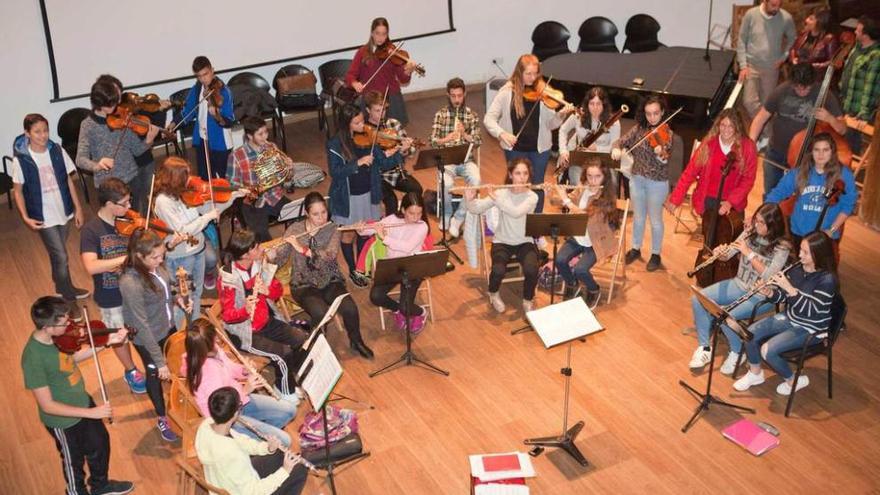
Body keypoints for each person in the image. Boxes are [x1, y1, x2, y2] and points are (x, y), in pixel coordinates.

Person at [21, 296, 134, 495]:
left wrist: (106, 342)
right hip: (63, 420)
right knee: (74, 461)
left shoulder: (58, 340)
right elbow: (47, 405)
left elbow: (71, 359)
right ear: (48, 326)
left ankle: (100, 486)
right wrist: (91, 413)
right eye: (64, 322)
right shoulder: (33, 358)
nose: (71, 325)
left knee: (100, 444)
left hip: (83, 402)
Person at [686, 203, 791, 373]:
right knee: (698, 298)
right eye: (756, 220)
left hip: (762, 295)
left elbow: (769, 276)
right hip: (739, 284)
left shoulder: (782, 247)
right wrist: (720, 252)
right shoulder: (750, 232)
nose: (756, 225)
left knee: (727, 316)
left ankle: (737, 351)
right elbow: (728, 254)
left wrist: (749, 253)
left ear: (773, 225)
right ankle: (704, 348)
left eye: (762, 223)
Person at [733, 231, 838, 396]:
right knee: (749, 333)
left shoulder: (827, 280)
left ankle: (793, 379)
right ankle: (755, 373)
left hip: (811, 328)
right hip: (791, 317)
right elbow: (784, 297)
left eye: (805, 252)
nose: (800, 255)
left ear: (818, 254)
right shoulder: (797, 269)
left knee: (767, 350)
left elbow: (812, 311)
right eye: (800, 250)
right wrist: (770, 293)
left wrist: (790, 289)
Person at [277, 192, 374, 359]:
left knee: (350, 308)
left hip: (329, 279)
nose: (321, 218)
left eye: (324, 212)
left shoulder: (333, 228)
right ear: (306, 213)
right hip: (303, 284)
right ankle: (316, 350)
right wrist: (274, 252)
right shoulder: (295, 229)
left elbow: (329, 255)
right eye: (316, 214)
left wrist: (303, 249)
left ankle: (356, 341)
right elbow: (280, 258)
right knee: (320, 313)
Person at [218, 229, 308, 402]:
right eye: (257, 248)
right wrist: (245, 309)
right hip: (245, 332)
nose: (262, 250)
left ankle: (288, 382)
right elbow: (228, 316)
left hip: (266, 321)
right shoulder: (228, 278)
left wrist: (267, 290)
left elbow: (278, 290)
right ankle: (284, 390)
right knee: (282, 353)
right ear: (246, 254)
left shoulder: (258, 264)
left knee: (299, 338)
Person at [12, 113, 88, 314]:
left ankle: (63, 286)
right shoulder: (21, 160)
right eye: (37, 132)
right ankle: (69, 299)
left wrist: (78, 208)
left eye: (45, 130)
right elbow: (18, 192)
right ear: (27, 133)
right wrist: (25, 217)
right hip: (42, 217)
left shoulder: (57, 151)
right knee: (61, 256)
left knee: (58, 255)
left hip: (63, 211)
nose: (43, 135)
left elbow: (69, 180)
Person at [120, 229, 190, 442]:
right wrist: (159, 362)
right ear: (139, 256)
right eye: (155, 257)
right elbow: (141, 325)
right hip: (147, 336)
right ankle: (162, 417)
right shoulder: (130, 283)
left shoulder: (155, 265)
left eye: (162, 256)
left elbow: (167, 286)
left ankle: (183, 402)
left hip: (166, 327)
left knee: (179, 364)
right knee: (155, 375)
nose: (161, 260)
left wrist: (178, 298)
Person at [80, 178, 149, 395]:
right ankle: (131, 371)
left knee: (143, 329)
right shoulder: (91, 231)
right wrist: (126, 258)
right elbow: (91, 266)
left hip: (135, 289)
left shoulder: (129, 223)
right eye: (125, 203)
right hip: (110, 295)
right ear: (110, 204)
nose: (130, 207)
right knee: (119, 337)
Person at [153, 156, 245, 319]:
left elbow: (211, 207)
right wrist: (207, 217)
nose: (189, 179)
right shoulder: (163, 202)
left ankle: (194, 324)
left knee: (197, 293)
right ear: (174, 179)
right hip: (180, 256)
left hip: (198, 249)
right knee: (183, 297)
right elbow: (181, 230)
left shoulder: (186, 192)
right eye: (185, 176)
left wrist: (232, 196)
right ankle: (182, 333)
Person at [183, 318, 297, 447]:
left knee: (289, 410)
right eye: (215, 337)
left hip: (240, 401)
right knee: (285, 441)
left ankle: (259, 440)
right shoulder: (207, 375)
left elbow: (230, 368)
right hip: (228, 418)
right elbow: (222, 410)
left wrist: (244, 370)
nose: (218, 339)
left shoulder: (211, 351)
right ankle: (253, 445)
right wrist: (245, 390)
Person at [484, 53, 576, 213]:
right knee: (516, 186)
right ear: (520, 73)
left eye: (535, 74)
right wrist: (502, 134)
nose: (532, 78)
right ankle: (516, 221)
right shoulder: (506, 92)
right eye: (528, 74)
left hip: (540, 149)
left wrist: (560, 115)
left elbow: (550, 125)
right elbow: (489, 119)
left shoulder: (543, 92)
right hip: (514, 149)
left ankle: (536, 228)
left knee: (538, 187)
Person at [327, 104, 403, 288]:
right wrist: (357, 163)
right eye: (357, 122)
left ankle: (361, 267)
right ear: (346, 124)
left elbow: (383, 163)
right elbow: (336, 172)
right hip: (349, 197)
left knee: (365, 233)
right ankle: (352, 269)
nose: (363, 125)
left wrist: (400, 151)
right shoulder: (335, 144)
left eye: (362, 120)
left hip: (369, 193)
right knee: (349, 235)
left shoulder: (369, 138)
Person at [748, 62, 846, 195]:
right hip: (775, 152)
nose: (801, 91)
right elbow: (761, 118)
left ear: (813, 83)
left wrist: (830, 118)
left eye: (806, 88)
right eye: (797, 87)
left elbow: (842, 129)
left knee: (798, 197)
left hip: (804, 158)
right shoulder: (782, 90)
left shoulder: (824, 95)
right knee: (771, 193)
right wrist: (751, 142)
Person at [195, 387, 307, 495]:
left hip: (231, 479)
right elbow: (255, 492)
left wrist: (267, 448)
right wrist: (285, 471)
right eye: (240, 405)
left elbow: (243, 442)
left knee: (279, 453)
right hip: (244, 490)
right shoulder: (232, 455)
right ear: (234, 414)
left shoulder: (207, 424)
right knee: (300, 471)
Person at [465, 158, 539, 314]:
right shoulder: (501, 193)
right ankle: (493, 293)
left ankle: (527, 299)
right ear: (510, 175)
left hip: (524, 241)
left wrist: (496, 198)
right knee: (498, 271)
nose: (522, 177)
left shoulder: (532, 197)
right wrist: (469, 199)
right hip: (502, 241)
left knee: (532, 270)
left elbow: (516, 212)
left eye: (525, 173)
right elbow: (476, 209)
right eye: (518, 173)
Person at [612, 96, 674, 272]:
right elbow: (620, 141)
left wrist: (659, 152)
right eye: (648, 114)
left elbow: (665, 158)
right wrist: (617, 148)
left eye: (655, 113)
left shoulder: (667, 133)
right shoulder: (639, 129)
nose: (652, 118)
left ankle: (655, 254)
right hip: (637, 179)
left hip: (657, 182)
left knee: (655, 220)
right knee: (638, 217)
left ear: (662, 112)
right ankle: (636, 249)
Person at [76, 78, 160, 208]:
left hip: (131, 178)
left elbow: (137, 149)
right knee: (114, 223)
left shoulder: (124, 117)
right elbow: (80, 159)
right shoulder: (88, 125)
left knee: (135, 216)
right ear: (100, 104)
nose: (118, 105)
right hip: (108, 185)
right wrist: (97, 165)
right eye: (113, 103)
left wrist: (149, 140)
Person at [765, 133, 857, 250]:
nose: (821, 154)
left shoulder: (844, 175)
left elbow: (848, 206)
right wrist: (761, 214)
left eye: (825, 150)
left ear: (832, 152)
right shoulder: (799, 172)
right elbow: (778, 193)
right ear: (811, 152)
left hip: (825, 236)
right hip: (798, 233)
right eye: (816, 150)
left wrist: (831, 230)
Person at [549, 158, 620, 308]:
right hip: (578, 236)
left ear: (605, 177)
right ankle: (572, 284)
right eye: (589, 176)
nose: (593, 181)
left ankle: (594, 290)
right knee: (560, 260)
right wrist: (552, 193)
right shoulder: (582, 188)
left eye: (597, 176)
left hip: (596, 241)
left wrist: (566, 201)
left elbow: (586, 216)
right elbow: (563, 201)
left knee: (580, 269)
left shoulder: (607, 197)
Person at [666, 108, 758, 221]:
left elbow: (748, 180)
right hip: (708, 200)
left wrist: (731, 202)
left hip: (732, 203)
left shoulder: (748, 147)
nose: (726, 130)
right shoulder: (708, 144)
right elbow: (690, 172)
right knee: (709, 236)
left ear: (737, 127)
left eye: (731, 126)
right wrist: (675, 198)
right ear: (718, 125)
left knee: (729, 237)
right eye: (723, 125)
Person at [359, 192, 431, 333]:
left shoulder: (422, 227)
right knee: (376, 296)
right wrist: (360, 229)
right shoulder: (392, 219)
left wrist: (385, 238)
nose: (416, 218)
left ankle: (421, 312)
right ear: (403, 210)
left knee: (407, 307)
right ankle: (398, 310)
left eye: (419, 213)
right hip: (392, 266)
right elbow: (371, 229)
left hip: (413, 268)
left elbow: (407, 247)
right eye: (411, 213)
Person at [227, 116, 293, 242]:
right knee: (262, 236)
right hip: (252, 201)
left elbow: (286, 179)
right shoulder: (236, 156)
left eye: (266, 132)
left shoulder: (271, 147)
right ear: (250, 136)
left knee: (299, 216)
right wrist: (247, 190)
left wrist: (289, 169)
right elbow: (231, 185)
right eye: (260, 134)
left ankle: (289, 245)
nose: (265, 137)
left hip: (274, 195)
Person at [430, 77, 482, 238]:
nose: (457, 99)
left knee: (476, 180)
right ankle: (446, 213)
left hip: (467, 161)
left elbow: (478, 141)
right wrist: (448, 138)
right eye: (453, 96)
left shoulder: (471, 115)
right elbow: (432, 141)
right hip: (447, 161)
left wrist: (465, 135)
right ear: (448, 95)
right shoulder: (441, 115)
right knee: (447, 183)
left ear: (464, 94)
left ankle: (458, 218)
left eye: (460, 95)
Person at [170, 56, 235, 179]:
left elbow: (229, 120)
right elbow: (188, 110)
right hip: (202, 140)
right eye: (199, 76)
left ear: (212, 70)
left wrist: (217, 116)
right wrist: (174, 123)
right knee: (204, 178)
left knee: (222, 179)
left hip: (220, 142)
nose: (203, 79)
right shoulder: (197, 88)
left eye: (205, 74)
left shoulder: (224, 91)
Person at [345, 17, 417, 125]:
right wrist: (354, 83)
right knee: (370, 134)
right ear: (372, 33)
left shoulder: (392, 51)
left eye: (384, 34)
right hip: (370, 99)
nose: (380, 38)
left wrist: (408, 71)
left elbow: (403, 79)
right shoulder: (362, 52)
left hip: (391, 98)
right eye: (377, 33)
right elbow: (350, 75)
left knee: (394, 135)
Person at [362, 90, 423, 216]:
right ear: (368, 110)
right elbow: (371, 162)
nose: (381, 114)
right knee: (391, 201)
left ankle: (411, 218)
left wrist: (405, 149)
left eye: (383, 110)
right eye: (377, 111)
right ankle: (391, 232)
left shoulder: (393, 124)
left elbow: (411, 152)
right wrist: (388, 154)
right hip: (377, 176)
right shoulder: (365, 131)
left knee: (416, 189)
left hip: (396, 172)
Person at [736, 0, 797, 118]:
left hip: (771, 67)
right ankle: (766, 129)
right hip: (751, 66)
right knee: (749, 102)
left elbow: (792, 38)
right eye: (773, 5)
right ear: (764, 1)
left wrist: (783, 57)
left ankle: (764, 133)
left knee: (767, 104)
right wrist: (743, 66)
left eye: (779, 5)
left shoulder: (786, 18)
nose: (776, 9)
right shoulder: (751, 14)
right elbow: (741, 40)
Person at [557, 87, 620, 186]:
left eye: (598, 104)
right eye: (591, 104)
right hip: (579, 160)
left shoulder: (613, 121)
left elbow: (614, 147)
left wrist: (597, 148)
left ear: (604, 104)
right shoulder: (579, 115)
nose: (595, 108)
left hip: (603, 163)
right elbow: (563, 130)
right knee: (579, 185)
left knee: (610, 184)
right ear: (587, 104)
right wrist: (563, 151)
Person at [838, 15, 880, 154]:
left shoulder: (875, 56)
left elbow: (871, 87)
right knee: (841, 141)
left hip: (857, 111)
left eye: (858, 30)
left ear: (866, 35)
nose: (855, 32)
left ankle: (846, 173)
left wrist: (864, 114)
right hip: (846, 102)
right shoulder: (857, 47)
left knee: (850, 145)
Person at [787, 7, 838, 73]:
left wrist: (812, 66)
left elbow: (833, 63)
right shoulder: (804, 34)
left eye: (811, 19)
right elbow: (793, 49)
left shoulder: (829, 40)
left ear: (820, 23)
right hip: (800, 74)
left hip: (816, 78)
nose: (806, 20)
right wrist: (793, 59)